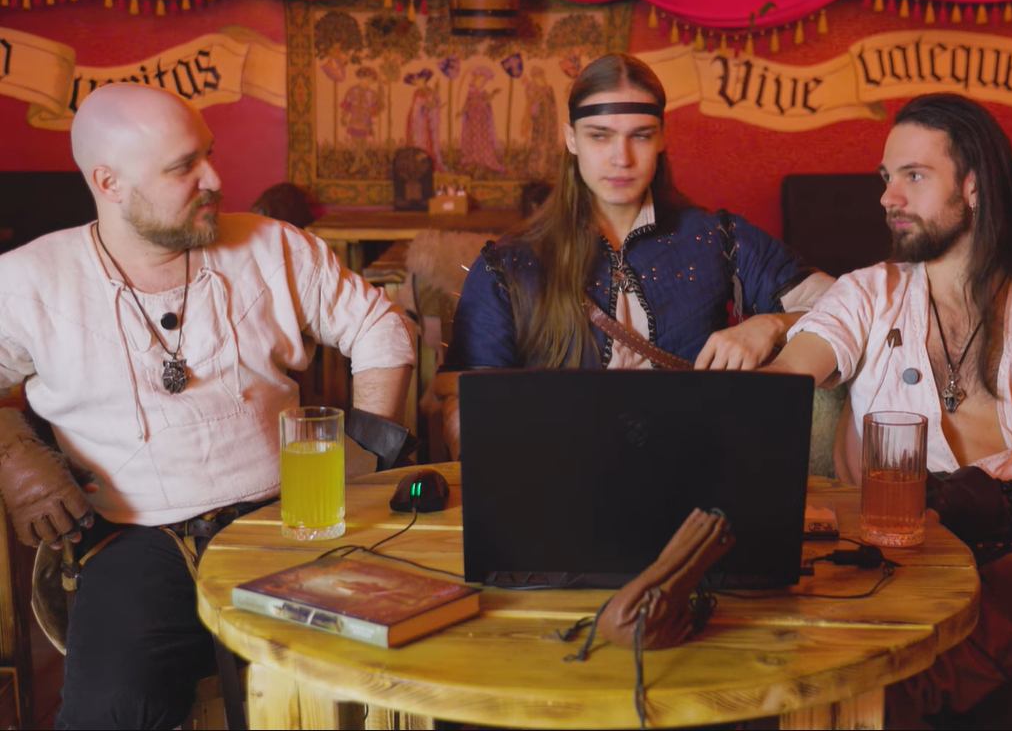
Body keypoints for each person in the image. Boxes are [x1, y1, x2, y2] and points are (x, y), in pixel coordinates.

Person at [0, 84, 416, 729]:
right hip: (136, 541)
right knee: (113, 711)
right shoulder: (27, 280)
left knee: (363, 682)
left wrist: (363, 458)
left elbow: (379, 328)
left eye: (209, 155)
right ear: (109, 183)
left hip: (289, 524)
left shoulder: (272, 246)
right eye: (183, 167)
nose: (216, 180)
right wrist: (15, 456)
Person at [764, 93, 1012, 723]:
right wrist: (761, 341)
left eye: (914, 175)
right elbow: (786, 381)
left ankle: (906, 690)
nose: (887, 196)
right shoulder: (867, 294)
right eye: (886, 177)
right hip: (889, 569)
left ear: (974, 186)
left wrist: (1001, 501)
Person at [436, 53, 833, 456]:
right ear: (571, 138)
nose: (621, 158)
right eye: (600, 136)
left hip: (698, 470)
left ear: (661, 139)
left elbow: (847, 308)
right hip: (560, 473)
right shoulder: (508, 265)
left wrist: (771, 325)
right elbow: (466, 405)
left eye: (640, 135)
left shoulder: (717, 237)